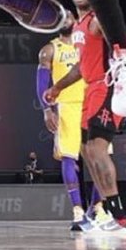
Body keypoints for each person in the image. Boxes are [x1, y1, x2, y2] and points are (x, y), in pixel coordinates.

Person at [45, 0, 126, 236]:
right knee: (86, 150)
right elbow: (80, 67)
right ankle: (100, 213)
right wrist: (57, 88)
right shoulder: (78, 28)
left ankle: (118, 216)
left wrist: (124, 51)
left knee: (97, 148)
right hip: (89, 88)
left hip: (106, 86)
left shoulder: (97, 21)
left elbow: (122, 39)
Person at [39, 24, 86, 229]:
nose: (66, 16)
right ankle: (78, 211)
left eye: (69, 13)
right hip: (67, 106)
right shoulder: (50, 49)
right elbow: (42, 84)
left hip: (90, 103)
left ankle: (99, 209)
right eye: (62, 15)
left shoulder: (86, 44)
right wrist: (46, 109)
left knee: (100, 157)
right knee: (68, 157)